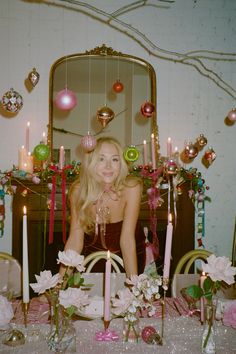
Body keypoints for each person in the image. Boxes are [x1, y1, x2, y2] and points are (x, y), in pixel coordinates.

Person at [62, 136, 146, 276]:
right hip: (91, 258)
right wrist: (58, 286)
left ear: (121, 164)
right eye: (101, 159)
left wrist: (133, 285)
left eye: (114, 159)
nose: (108, 166)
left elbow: (127, 240)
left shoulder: (132, 189)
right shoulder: (79, 191)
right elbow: (75, 240)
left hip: (129, 259)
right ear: (91, 163)